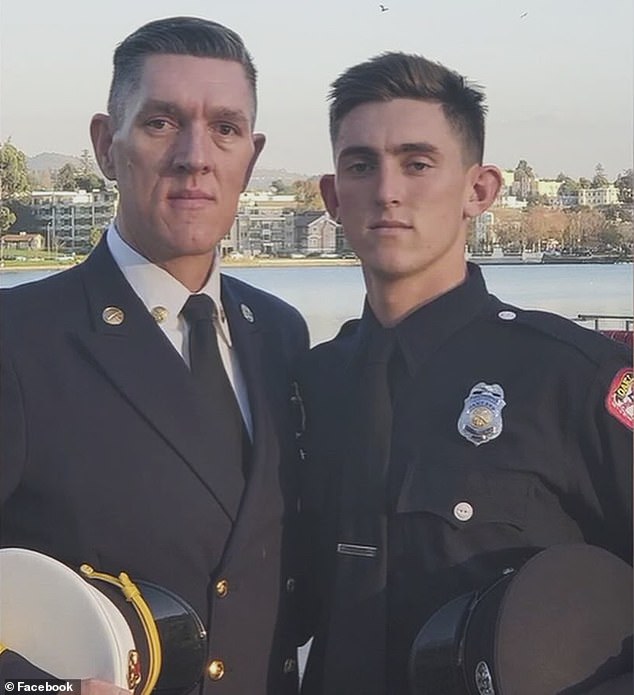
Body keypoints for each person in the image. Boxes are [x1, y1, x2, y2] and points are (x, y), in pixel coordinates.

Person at [297, 52, 632, 695]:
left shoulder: (571, 380)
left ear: (479, 190)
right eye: (361, 164)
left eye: (418, 164)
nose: (388, 190)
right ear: (334, 197)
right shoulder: (312, 384)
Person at [0, 16, 308, 695]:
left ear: (249, 158)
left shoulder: (281, 334)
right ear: (106, 146)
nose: (195, 155)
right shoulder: (18, 340)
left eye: (225, 128)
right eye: (163, 122)